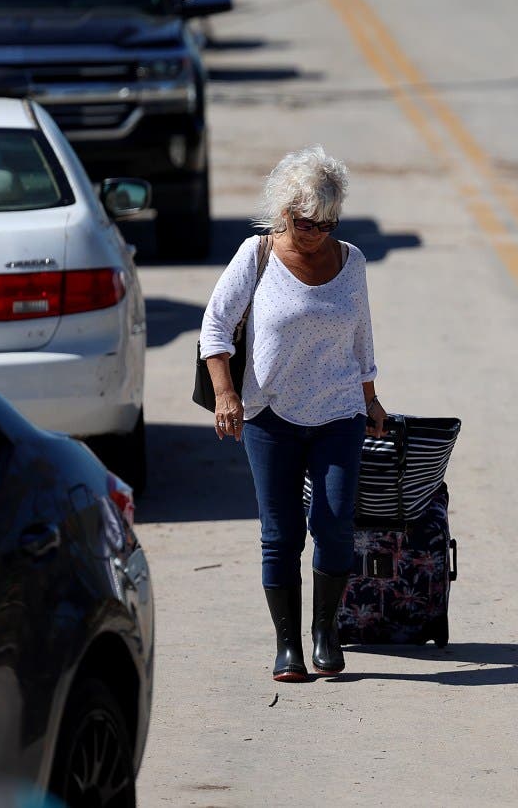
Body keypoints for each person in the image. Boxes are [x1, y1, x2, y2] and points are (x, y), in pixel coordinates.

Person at [200, 146, 388, 683]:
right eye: (307, 223)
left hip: (339, 412)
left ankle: (326, 632)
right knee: (280, 534)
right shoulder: (256, 255)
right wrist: (226, 395)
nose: (316, 235)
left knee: (334, 524)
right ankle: (288, 646)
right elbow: (215, 327)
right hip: (269, 415)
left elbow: (361, 336)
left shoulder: (351, 261)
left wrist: (371, 398)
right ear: (285, 212)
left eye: (327, 224)